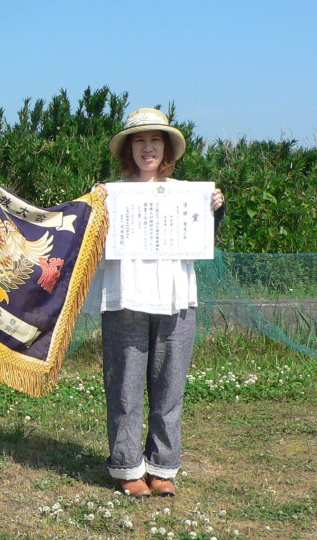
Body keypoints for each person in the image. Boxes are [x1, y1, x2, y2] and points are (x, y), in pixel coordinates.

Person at [84, 108, 225, 498]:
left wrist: (214, 209)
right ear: (129, 150)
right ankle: (128, 467)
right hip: (125, 296)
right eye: (140, 141)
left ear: (167, 149)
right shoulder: (109, 194)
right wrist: (92, 208)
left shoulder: (189, 194)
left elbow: (202, 238)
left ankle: (162, 466)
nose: (148, 148)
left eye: (155, 141)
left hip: (177, 297)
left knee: (169, 387)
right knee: (125, 388)